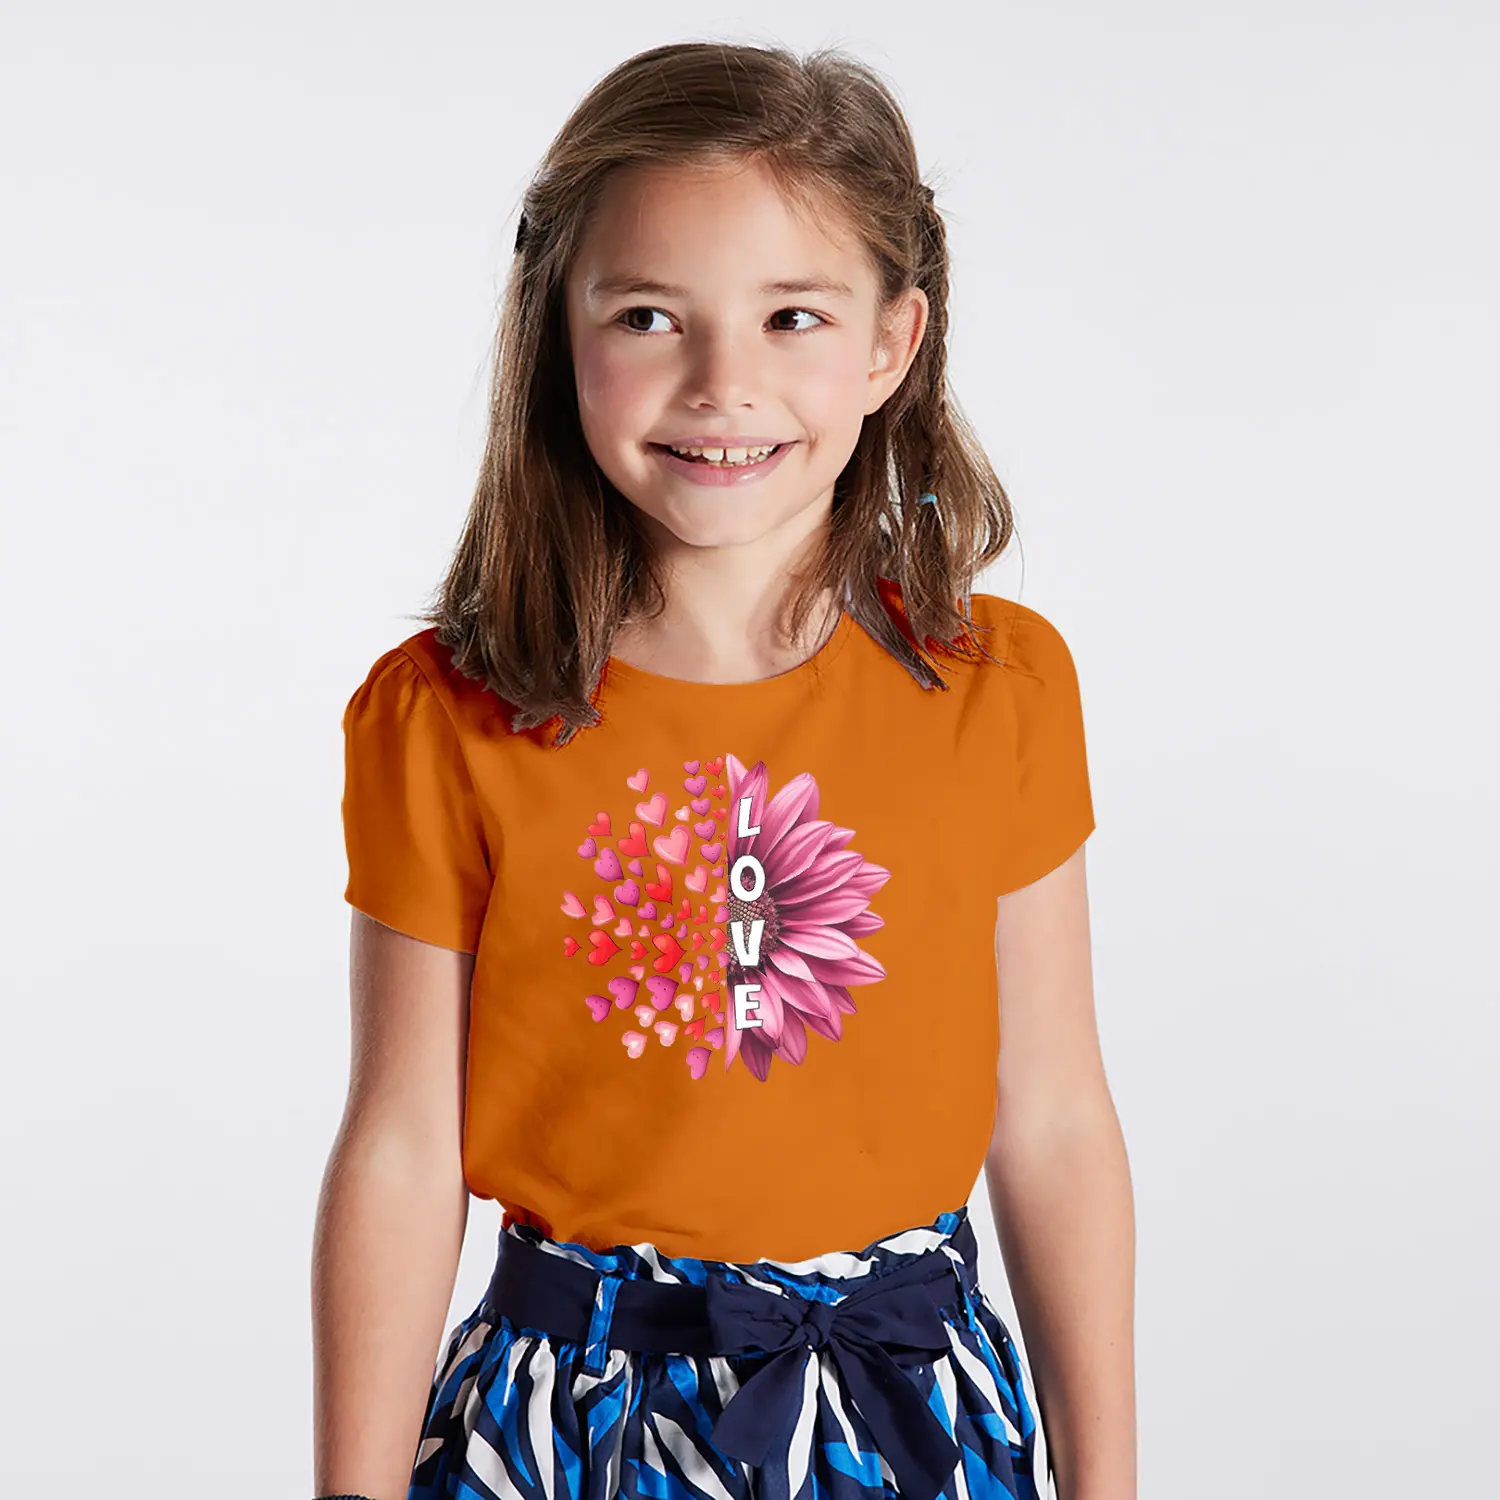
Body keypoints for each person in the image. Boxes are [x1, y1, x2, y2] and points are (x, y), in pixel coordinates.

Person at [311, 39, 1135, 1500]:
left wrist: (1108, 1481)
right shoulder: (443, 717)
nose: (721, 384)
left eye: (792, 316)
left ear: (891, 344)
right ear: (557, 336)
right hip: (562, 1430)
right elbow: (400, 1147)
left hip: (913, 1415)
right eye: (648, 315)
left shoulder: (1000, 690)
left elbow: (1056, 1114)